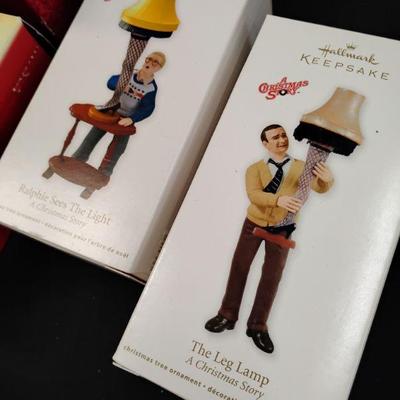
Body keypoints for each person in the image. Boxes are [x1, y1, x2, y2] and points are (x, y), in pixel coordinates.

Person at [205, 124, 334, 354]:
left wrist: (326, 180)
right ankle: (227, 315)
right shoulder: (254, 169)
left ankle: (257, 326)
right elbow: (253, 195)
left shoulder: (301, 166)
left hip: (283, 227)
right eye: (275, 137)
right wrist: (278, 200)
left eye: (283, 135)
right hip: (253, 223)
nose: (281, 140)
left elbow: (318, 187)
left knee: (272, 276)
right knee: (240, 266)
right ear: (265, 144)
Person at [71, 51, 166, 179]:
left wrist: (132, 119)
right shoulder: (130, 74)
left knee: (118, 147)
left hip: (126, 118)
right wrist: (121, 82)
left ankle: (104, 173)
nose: (150, 63)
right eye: (149, 59)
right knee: (92, 137)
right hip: (111, 111)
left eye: (155, 62)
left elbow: (148, 108)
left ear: (159, 68)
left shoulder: (151, 88)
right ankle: (77, 160)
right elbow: (110, 83)